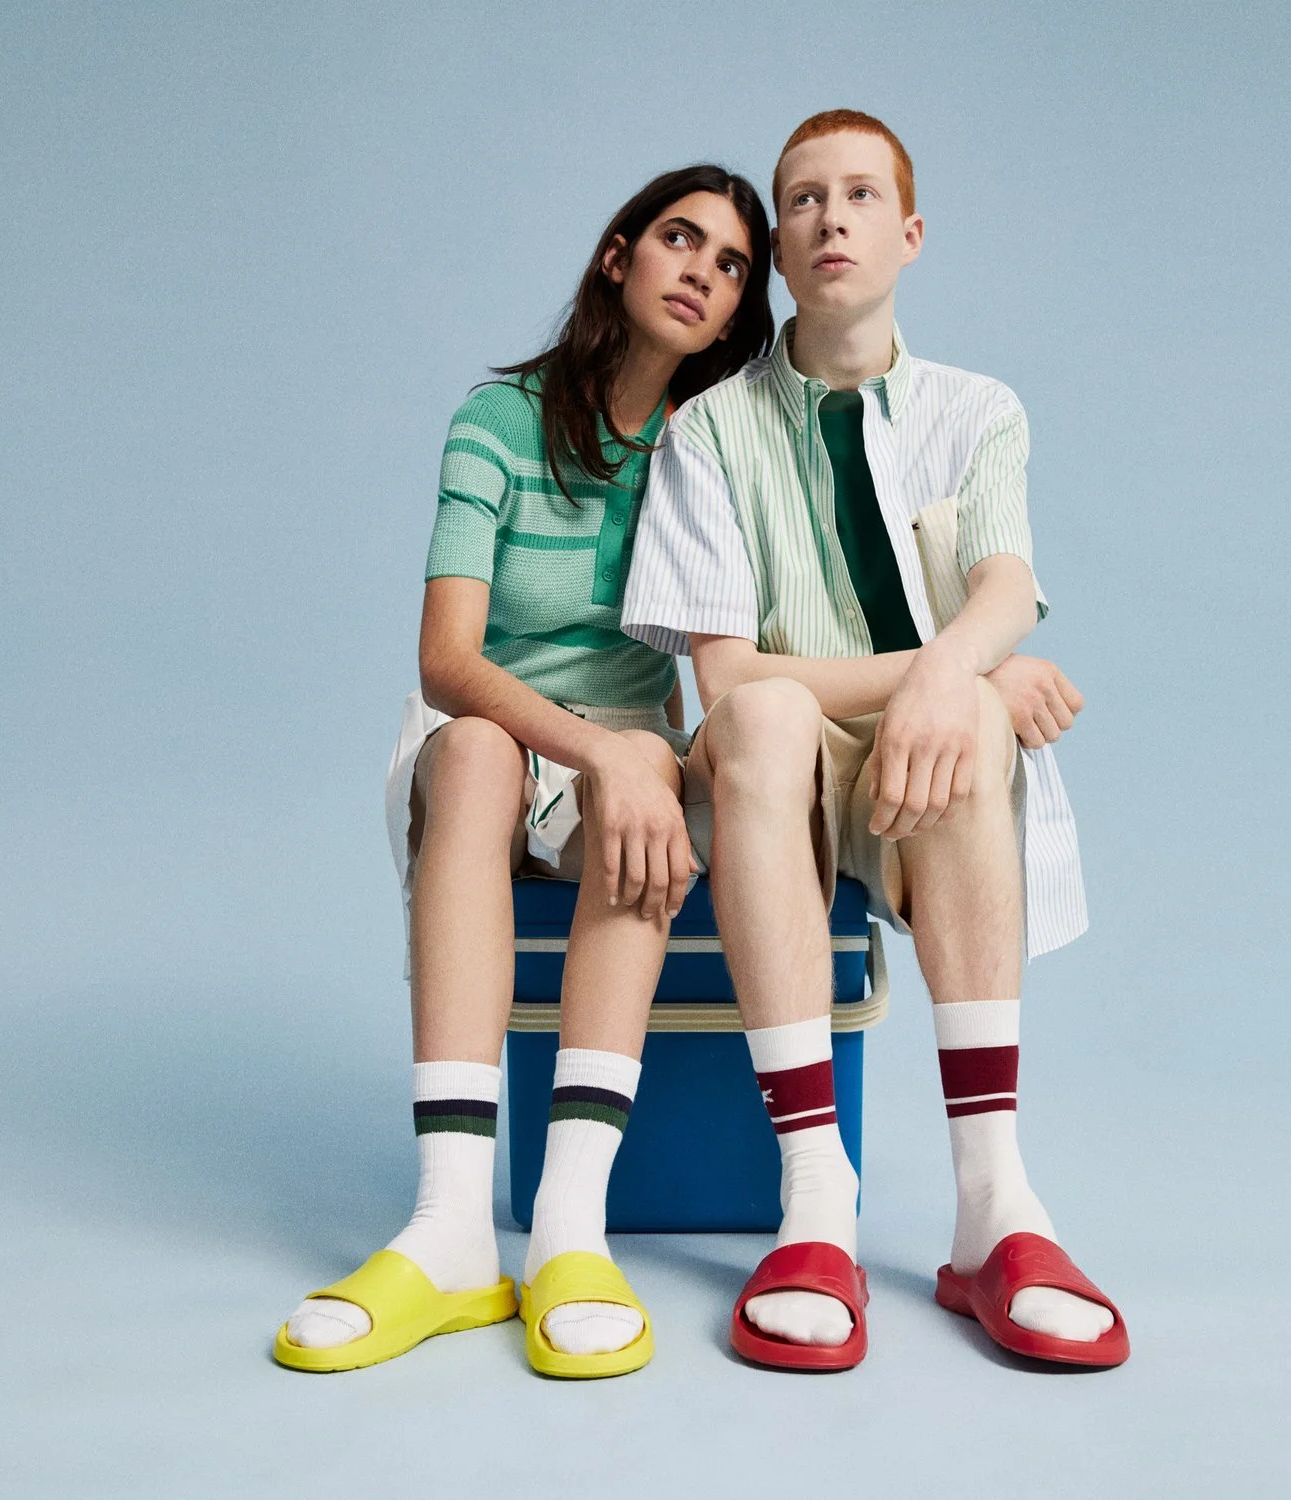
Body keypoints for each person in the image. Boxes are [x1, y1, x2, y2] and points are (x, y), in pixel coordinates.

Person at [622, 111, 1128, 1369]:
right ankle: (816, 1199)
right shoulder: (708, 433)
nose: (829, 217)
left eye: (858, 197)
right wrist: (963, 671)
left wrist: (961, 679)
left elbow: (1004, 587)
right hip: (768, 774)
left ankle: (993, 1207)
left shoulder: (979, 408)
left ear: (907, 235)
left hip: (923, 781)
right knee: (779, 707)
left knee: (960, 716)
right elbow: (730, 673)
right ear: (781, 257)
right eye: (801, 202)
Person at [272, 164, 774, 1379]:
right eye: (678, 239)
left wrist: (649, 758)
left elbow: (722, 669)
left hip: (620, 766)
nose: (702, 270)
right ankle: (450, 1228)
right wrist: (600, 743)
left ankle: (565, 1228)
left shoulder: (713, 450)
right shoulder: (497, 419)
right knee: (493, 749)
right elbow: (448, 662)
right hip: (491, 747)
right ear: (619, 256)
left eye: (731, 264)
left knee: (653, 773)